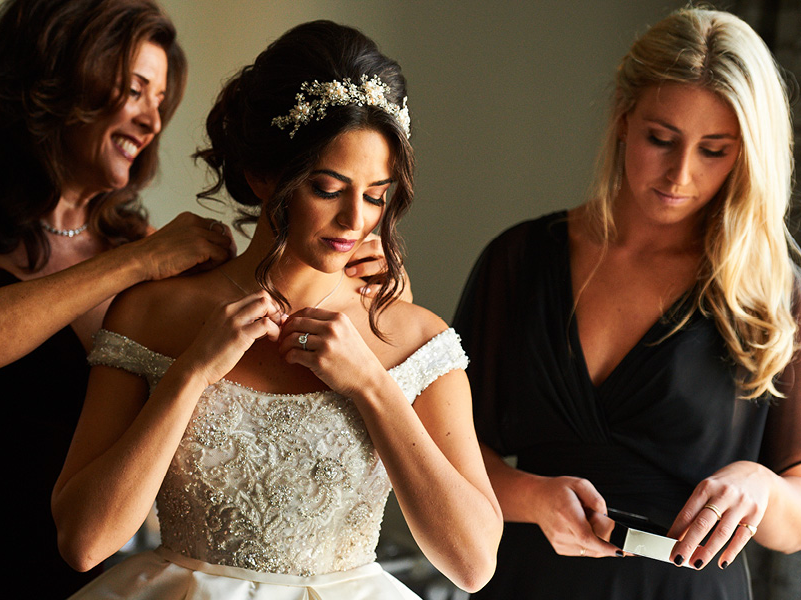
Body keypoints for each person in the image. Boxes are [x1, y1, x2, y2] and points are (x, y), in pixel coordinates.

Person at [51, 19, 503, 599]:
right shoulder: (151, 315)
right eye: (328, 188)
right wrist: (192, 371)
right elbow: (84, 542)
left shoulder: (416, 339)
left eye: (375, 195)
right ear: (263, 175)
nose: (355, 222)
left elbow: (472, 564)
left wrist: (370, 384)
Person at [453, 6, 801, 600]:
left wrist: (762, 486)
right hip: (526, 584)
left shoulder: (772, 291)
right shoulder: (518, 262)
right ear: (622, 116)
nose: (680, 174)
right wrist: (532, 497)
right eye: (660, 139)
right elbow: (443, 457)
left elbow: (792, 527)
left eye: (714, 151)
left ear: (747, 153)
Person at [0, 1, 235, 597]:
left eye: (160, 102)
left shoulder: (141, 251)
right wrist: (131, 262)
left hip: (63, 574)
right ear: (54, 79)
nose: (151, 120)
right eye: (135, 90)